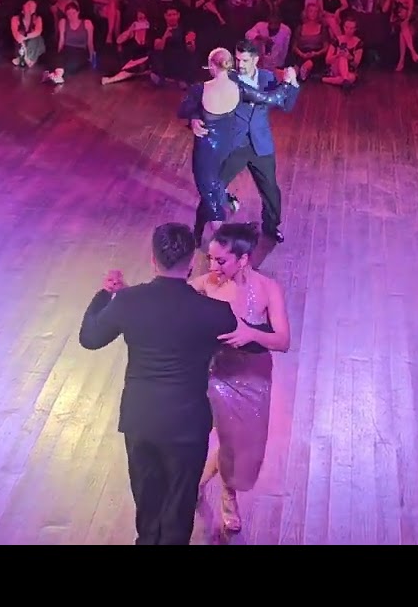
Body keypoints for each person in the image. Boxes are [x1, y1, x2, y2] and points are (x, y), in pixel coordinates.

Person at [77, 223, 240, 545]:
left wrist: (105, 295)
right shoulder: (217, 313)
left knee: (147, 501)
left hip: (141, 418)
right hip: (187, 424)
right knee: (179, 506)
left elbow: (90, 338)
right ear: (193, 262)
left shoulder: (128, 302)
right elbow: (248, 341)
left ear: (153, 259)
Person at [190, 223, 291, 533]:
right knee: (220, 438)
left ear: (243, 259)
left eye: (221, 260)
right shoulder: (205, 284)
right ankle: (223, 494)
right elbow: (168, 301)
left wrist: (251, 333)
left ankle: (207, 484)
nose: (213, 266)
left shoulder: (267, 288)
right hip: (215, 373)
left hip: (252, 377)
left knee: (240, 443)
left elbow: (283, 340)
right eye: (210, 258)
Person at [179, 48, 300, 244]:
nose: (240, 64)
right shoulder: (229, 79)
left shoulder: (267, 78)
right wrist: (194, 119)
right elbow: (201, 100)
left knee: (270, 191)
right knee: (213, 189)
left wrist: (292, 84)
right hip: (234, 145)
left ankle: (271, 227)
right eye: (237, 60)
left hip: (261, 144)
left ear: (256, 59)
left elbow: (285, 105)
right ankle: (198, 229)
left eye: (245, 60)